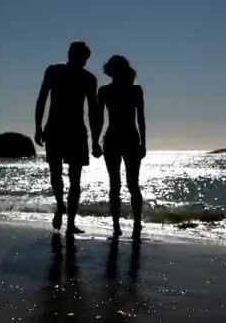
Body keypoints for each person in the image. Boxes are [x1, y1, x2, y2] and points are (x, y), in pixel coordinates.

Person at [35, 41, 98, 234]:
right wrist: (38, 127)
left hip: (77, 131)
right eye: (76, 55)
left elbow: (93, 111)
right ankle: (60, 206)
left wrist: (95, 140)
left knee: (75, 179)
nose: (80, 60)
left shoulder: (89, 79)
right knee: (55, 174)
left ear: (86, 59)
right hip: (54, 129)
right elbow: (42, 98)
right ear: (69, 54)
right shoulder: (54, 71)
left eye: (82, 58)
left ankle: (70, 222)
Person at [92, 55, 146, 238]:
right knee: (129, 184)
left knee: (120, 184)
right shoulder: (131, 90)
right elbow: (99, 119)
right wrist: (94, 142)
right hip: (125, 138)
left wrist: (95, 142)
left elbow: (141, 119)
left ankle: (125, 225)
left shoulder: (108, 91)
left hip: (118, 139)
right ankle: (129, 224)